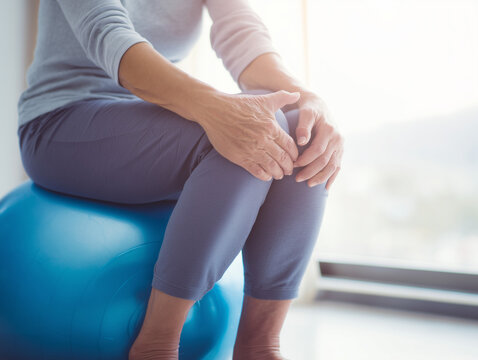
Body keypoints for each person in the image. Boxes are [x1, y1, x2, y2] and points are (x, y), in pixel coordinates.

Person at [17, 0, 344, 359]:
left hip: (147, 118)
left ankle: (260, 345)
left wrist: (310, 100)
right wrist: (216, 111)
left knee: (299, 129)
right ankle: (156, 345)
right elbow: (107, 33)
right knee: (232, 136)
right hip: (60, 122)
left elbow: (244, 36)